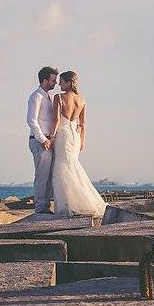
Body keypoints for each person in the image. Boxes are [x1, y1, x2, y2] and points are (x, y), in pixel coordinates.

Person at [50, 71, 108, 216]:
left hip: (63, 135)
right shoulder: (81, 100)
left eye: (61, 81)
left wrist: (51, 137)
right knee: (73, 167)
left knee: (61, 168)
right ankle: (78, 202)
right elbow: (83, 124)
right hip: (75, 138)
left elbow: (56, 120)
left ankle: (67, 206)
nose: (58, 84)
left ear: (69, 83)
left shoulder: (59, 97)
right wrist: (82, 141)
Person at [27, 66, 58, 213]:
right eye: (53, 80)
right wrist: (43, 140)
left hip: (49, 140)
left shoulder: (51, 97)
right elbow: (31, 120)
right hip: (39, 141)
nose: (56, 83)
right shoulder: (36, 97)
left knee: (50, 176)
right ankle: (40, 208)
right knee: (42, 176)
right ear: (45, 80)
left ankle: (45, 206)